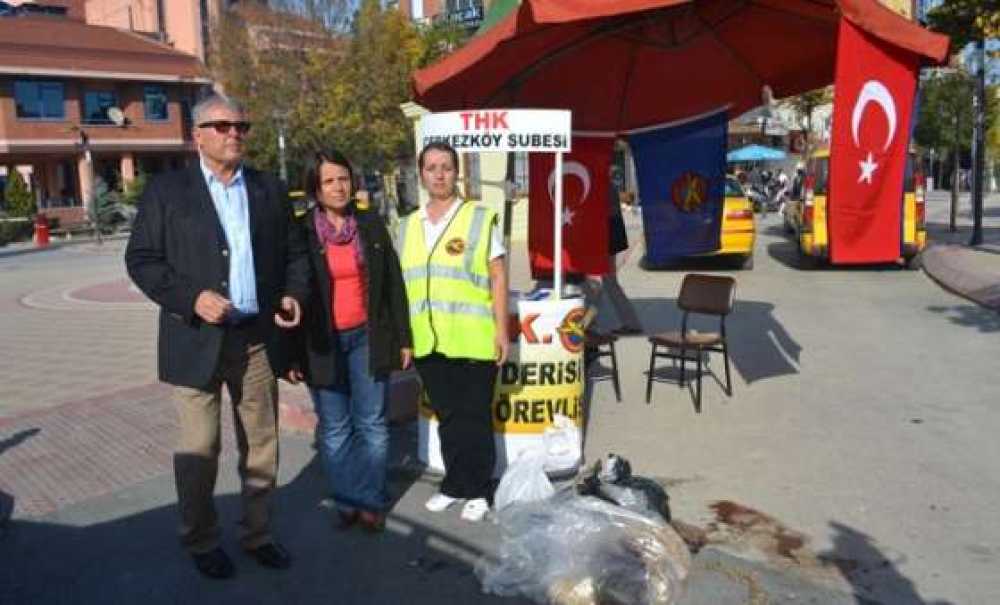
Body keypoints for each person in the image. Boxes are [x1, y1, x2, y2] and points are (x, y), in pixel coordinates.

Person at [125, 94, 310, 580]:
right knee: (200, 449)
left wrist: (292, 294)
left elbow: (294, 254)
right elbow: (142, 259)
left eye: (242, 126)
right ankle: (201, 538)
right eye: (223, 125)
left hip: (255, 340)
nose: (235, 134)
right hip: (195, 339)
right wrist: (191, 298)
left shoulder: (270, 188)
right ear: (198, 136)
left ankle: (258, 532)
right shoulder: (168, 191)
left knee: (262, 444)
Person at [284, 148, 412, 533]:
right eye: (328, 181)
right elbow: (291, 290)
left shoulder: (370, 223)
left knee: (372, 422)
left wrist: (403, 338)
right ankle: (346, 498)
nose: (338, 187)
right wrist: (289, 356)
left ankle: (371, 500)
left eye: (343, 178)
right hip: (321, 344)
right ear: (315, 188)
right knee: (336, 428)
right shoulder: (302, 231)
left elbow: (392, 282)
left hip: (367, 338)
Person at [398, 141, 509, 522]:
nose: (440, 174)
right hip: (428, 339)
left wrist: (502, 331)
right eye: (432, 168)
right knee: (448, 415)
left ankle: (479, 489)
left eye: (446, 167)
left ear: (456, 172)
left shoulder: (478, 216)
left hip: (475, 337)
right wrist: (404, 338)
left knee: (475, 415)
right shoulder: (408, 225)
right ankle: (454, 484)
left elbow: (497, 275)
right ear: (422, 174)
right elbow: (401, 287)